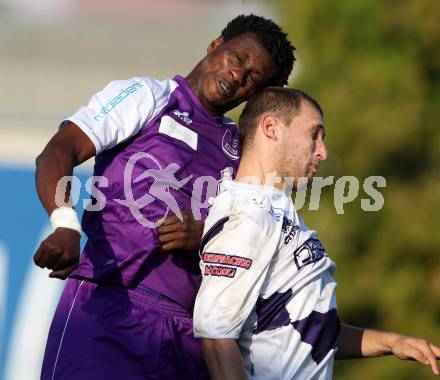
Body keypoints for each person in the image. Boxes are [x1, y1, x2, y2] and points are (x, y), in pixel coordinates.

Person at [34, 15, 295, 380]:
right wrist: (65, 225)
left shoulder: (244, 151)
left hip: (191, 337)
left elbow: (262, 245)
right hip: (110, 307)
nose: (239, 76)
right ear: (216, 44)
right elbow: (58, 151)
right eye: (238, 59)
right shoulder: (148, 97)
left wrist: (207, 236)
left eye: (254, 77)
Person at [193, 87, 440, 380]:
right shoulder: (249, 216)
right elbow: (215, 336)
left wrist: (392, 343)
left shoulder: (277, 213)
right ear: (271, 128)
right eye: (314, 134)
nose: (322, 150)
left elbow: (307, 327)